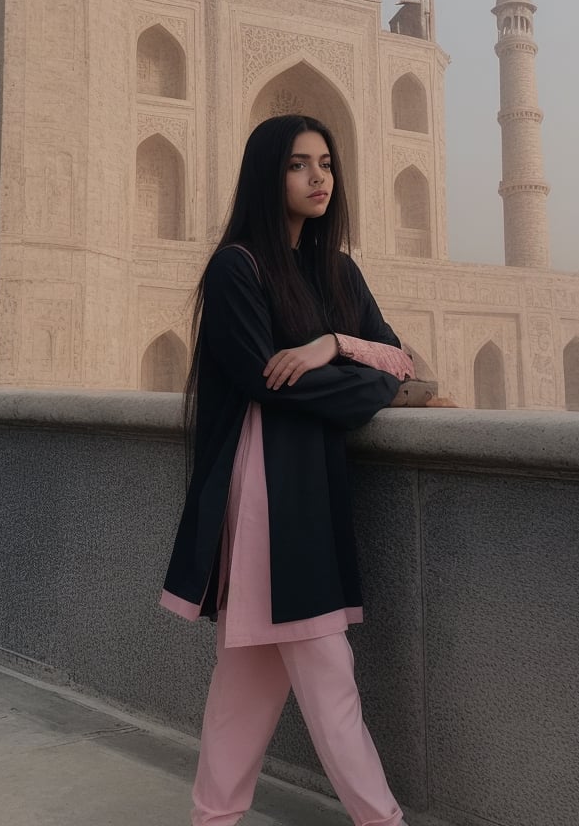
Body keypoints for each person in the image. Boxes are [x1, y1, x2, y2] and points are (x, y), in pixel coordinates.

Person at [162, 114, 437, 826]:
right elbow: (267, 382)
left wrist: (331, 342)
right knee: (326, 672)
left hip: (308, 487)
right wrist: (366, 378)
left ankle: (212, 818)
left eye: (325, 163)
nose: (318, 178)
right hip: (265, 497)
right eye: (297, 165)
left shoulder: (337, 272)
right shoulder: (237, 268)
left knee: (246, 687)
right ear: (266, 175)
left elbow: (403, 361)